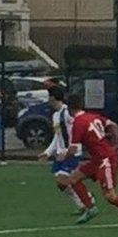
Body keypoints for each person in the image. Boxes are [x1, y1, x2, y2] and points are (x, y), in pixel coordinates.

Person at [67, 94, 118, 228]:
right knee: (73, 178)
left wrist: (62, 155)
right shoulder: (93, 117)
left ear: (69, 108)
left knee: (110, 196)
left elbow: (74, 149)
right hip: (98, 159)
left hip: (105, 160)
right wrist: (115, 144)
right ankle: (91, 208)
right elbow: (113, 125)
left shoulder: (78, 123)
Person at [41, 90, 95, 222]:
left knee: (62, 180)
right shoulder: (55, 116)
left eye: (49, 98)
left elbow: (76, 131)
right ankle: (82, 204)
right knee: (61, 184)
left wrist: (69, 150)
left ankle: (88, 198)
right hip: (61, 153)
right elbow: (57, 136)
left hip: (71, 153)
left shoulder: (68, 113)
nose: (48, 100)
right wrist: (48, 152)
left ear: (54, 98)